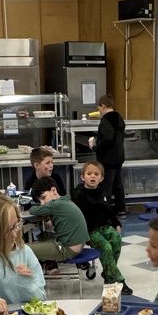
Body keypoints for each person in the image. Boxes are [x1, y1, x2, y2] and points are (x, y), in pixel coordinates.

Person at [71, 161, 130, 291]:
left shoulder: (101, 192)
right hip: (88, 230)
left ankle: (108, 273)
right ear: (82, 177)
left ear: (101, 178)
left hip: (103, 225)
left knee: (116, 239)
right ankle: (117, 279)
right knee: (106, 247)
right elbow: (76, 216)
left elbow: (107, 209)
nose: (93, 176)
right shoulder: (78, 194)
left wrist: (116, 223)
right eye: (89, 173)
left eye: (96, 174)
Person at [27, 176, 90, 268]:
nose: (42, 203)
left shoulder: (55, 205)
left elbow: (33, 210)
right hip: (78, 246)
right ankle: (50, 265)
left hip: (67, 249)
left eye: (43, 197)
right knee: (43, 235)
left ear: (53, 190)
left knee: (24, 249)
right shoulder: (65, 200)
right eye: (39, 201)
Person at [90, 94, 126, 215]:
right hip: (119, 157)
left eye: (99, 108)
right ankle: (121, 209)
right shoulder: (119, 118)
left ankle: (105, 211)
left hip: (107, 159)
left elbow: (107, 139)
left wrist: (94, 146)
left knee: (106, 187)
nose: (98, 111)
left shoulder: (106, 121)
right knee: (118, 185)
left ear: (103, 106)